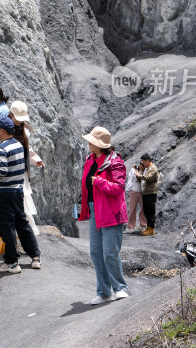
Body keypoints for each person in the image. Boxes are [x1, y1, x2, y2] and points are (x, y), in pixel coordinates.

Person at [77, 126, 129, 305]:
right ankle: (104, 291)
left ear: (100, 145)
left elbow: (119, 188)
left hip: (111, 212)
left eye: (91, 141)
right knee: (96, 252)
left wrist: (100, 182)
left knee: (110, 252)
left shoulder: (115, 162)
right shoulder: (90, 160)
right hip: (95, 210)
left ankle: (120, 288)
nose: (88, 143)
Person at [0, 117, 41, 273]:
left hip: (5, 192)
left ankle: (12, 262)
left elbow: (1, 171)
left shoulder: (2, 149)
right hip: (17, 190)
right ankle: (35, 256)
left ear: (2, 131)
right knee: (21, 223)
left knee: (6, 226)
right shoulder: (18, 144)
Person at [135, 154, 158, 236]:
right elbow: (142, 178)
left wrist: (139, 175)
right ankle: (149, 227)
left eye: (143, 161)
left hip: (151, 193)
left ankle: (151, 228)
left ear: (147, 160)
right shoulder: (147, 169)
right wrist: (139, 172)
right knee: (146, 210)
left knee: (150, 211)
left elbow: (149, 178)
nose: (142, 163)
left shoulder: (153, 169)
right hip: (146, 193)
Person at [124, 158, 147, 234]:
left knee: (143, 209)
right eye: (140, 164)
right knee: (132, 209)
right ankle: (131, 226)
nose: (141, 166)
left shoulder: (145, 171)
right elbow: (130, 179)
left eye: (142, 165)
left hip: (142, 192)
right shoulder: (133, 171)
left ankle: (143, 225)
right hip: (133, 191)